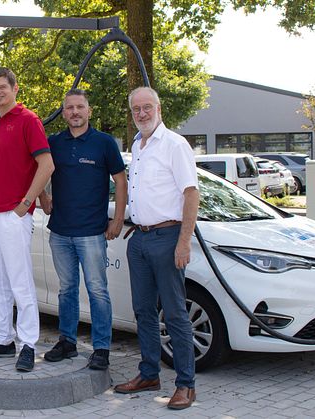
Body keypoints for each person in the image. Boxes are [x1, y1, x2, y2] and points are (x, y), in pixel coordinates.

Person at [113, 87, 199, 410]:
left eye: (147, 107)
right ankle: (149, 373)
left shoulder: (175, 145)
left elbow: (191, 194)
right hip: (140, 240)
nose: (142, 113)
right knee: (143, 311)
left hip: (168, 238)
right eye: (136, 109)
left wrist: (184, 241)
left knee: (175, 314)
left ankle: (186, 385)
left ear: (158, 108)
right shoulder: (138, 144)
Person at [0, 67, 54, 372]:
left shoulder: (29, 121)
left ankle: (28, 343)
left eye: (2, 87)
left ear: (15, 88)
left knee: (20, 281)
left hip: (12, 214)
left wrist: (26, 204)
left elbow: (46, 165)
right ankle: (3, 339)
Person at [40, 89, 127, 370]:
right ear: (63, 112)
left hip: (92, 232)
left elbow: (121, 181)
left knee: (97, 290)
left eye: (80, 107)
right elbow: (39, 170)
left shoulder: (104, 143)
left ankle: (101, 349)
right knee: (66, 290)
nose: (75, 112)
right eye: (69, 108)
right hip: (60, 231)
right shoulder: (54, 142)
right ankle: (67, 341)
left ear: (89, 110)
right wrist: (43, 199)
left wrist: (117, 220)